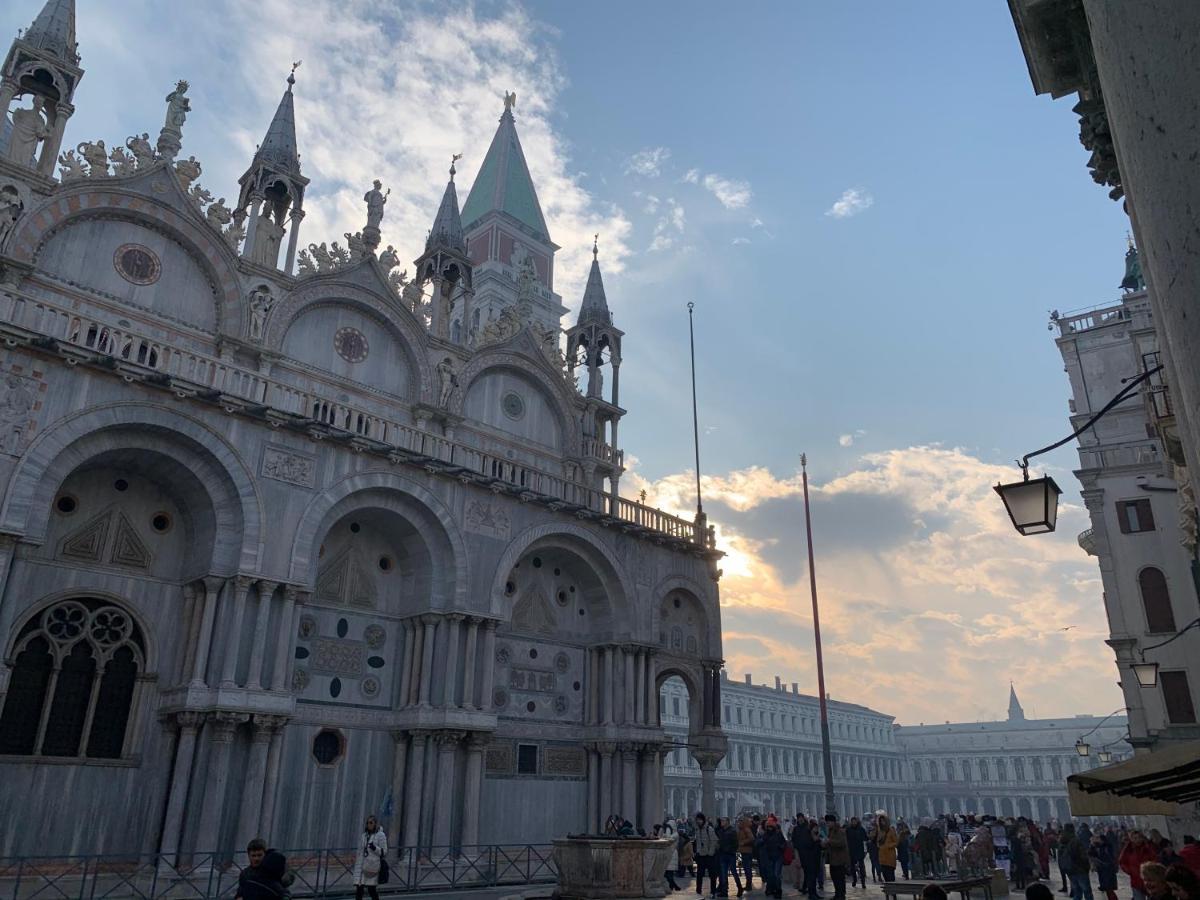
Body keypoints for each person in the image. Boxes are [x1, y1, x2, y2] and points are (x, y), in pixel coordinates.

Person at [352, 815, 388, 900]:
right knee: (359, 890)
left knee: (371, 889)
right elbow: (359, 850)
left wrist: (375, 848)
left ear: (375, 824)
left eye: (371, 822)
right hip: (361, 866)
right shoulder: (364, 835)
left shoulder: (380, 835)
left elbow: (384, 852)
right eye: (367, 823)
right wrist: (356, 862)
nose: (369, 824)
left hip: (372, 866)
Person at [1124, 830, 1164, 900]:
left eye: (1139, 837)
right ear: (1131, 839)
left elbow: (1155, 859)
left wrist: (1151, 871)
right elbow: (1122, 861)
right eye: (1135, 838)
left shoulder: (1148, 848)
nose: (1137, 840)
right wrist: (1130, 871)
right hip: (1136, 881)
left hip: (1149, 880)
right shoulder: (1128, 849)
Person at [756, 815, 787, 899]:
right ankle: (773, 889)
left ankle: (778, 890)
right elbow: (757, 843)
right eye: (768, 827)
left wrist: (781, 846)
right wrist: (762, 840)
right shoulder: (765, 835)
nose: (769, 828)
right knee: (772, 875)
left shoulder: (778, 833)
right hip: (769, 857)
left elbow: (784, 843)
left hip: (777, 857)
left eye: (771, 826)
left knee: (777, 874)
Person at [693, 813, 720, 898]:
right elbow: (697, 842)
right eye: (697, 820)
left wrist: (710, 852)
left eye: (700, 819)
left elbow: (714, 841)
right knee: (699, 874)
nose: (698, 821)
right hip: (701, 855)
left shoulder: (709, 829)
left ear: (703, 820)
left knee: (712, 875)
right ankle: (698, 891)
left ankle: (713, 891)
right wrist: (697, 852)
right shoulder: (697, 829)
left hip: (709, 856)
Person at [716, 816, 743, 897]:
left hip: (730, 855)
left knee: (734, 872)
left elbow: (735, 843)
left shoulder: (732, 831)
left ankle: (739, 888)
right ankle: (724, 892)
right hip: (722, 854)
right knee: (723, 874)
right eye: (721, 821)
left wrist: (730, 850)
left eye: (723, 821)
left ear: (727, 822)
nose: (721, 822)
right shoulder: (720, 831)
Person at [1090, 829, 1119, 900]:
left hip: (1108, 870)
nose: (1096, 840)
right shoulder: (1099, 847)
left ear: (1102, 840)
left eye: (1098, 838)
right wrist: (1092, 845)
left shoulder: (1106, 847)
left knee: (1109, 890)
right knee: (1108, 890)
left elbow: (1109, 858)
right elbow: (1091, 854)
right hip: (1103, 870)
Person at [826, 815, 849, 900]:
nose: (827, 824)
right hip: (833, 859)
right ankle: (837, 894)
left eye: (828, 822)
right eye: (827, 822)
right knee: (834, 878)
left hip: (839, 859)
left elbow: (842, 843)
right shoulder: (831, 831)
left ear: (833, 822)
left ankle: (841, 895)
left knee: (840, 878)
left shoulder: (840, 831)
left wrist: (829, 841)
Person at [847, 816, 868, 888]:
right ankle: (854, 880)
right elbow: (846, 839)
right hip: (851, 850)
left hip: (859, 850)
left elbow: (865, 839)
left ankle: (863, 882)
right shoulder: (848, 829)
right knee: (852, 867)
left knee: (861, 867)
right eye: (852, 821)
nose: (853, 823)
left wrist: (865, 850)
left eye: (855, 821)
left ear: (857, 822)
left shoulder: (861, 829)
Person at [877, 815, 900, 883]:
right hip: (882, 857)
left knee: (891, 876)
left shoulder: (891, 830)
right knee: (885, 876)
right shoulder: (880, 831)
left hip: (890, 856)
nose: (882, 823)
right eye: (880, 821)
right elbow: (878, 842)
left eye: (883, 821)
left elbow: (896, 842)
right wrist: (879, 845)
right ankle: (888, 892)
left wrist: (888, 845)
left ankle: (893, 892)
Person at [737, 817, 756, 893]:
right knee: (746, 868)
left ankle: (749, 885)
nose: (738, 823)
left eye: (740, 822)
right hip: (744, 851)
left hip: (747, 851)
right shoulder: (741, 829)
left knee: (747, 868)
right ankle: (748, 885)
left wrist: (743, 842)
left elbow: (752, 838)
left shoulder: (746, 829)